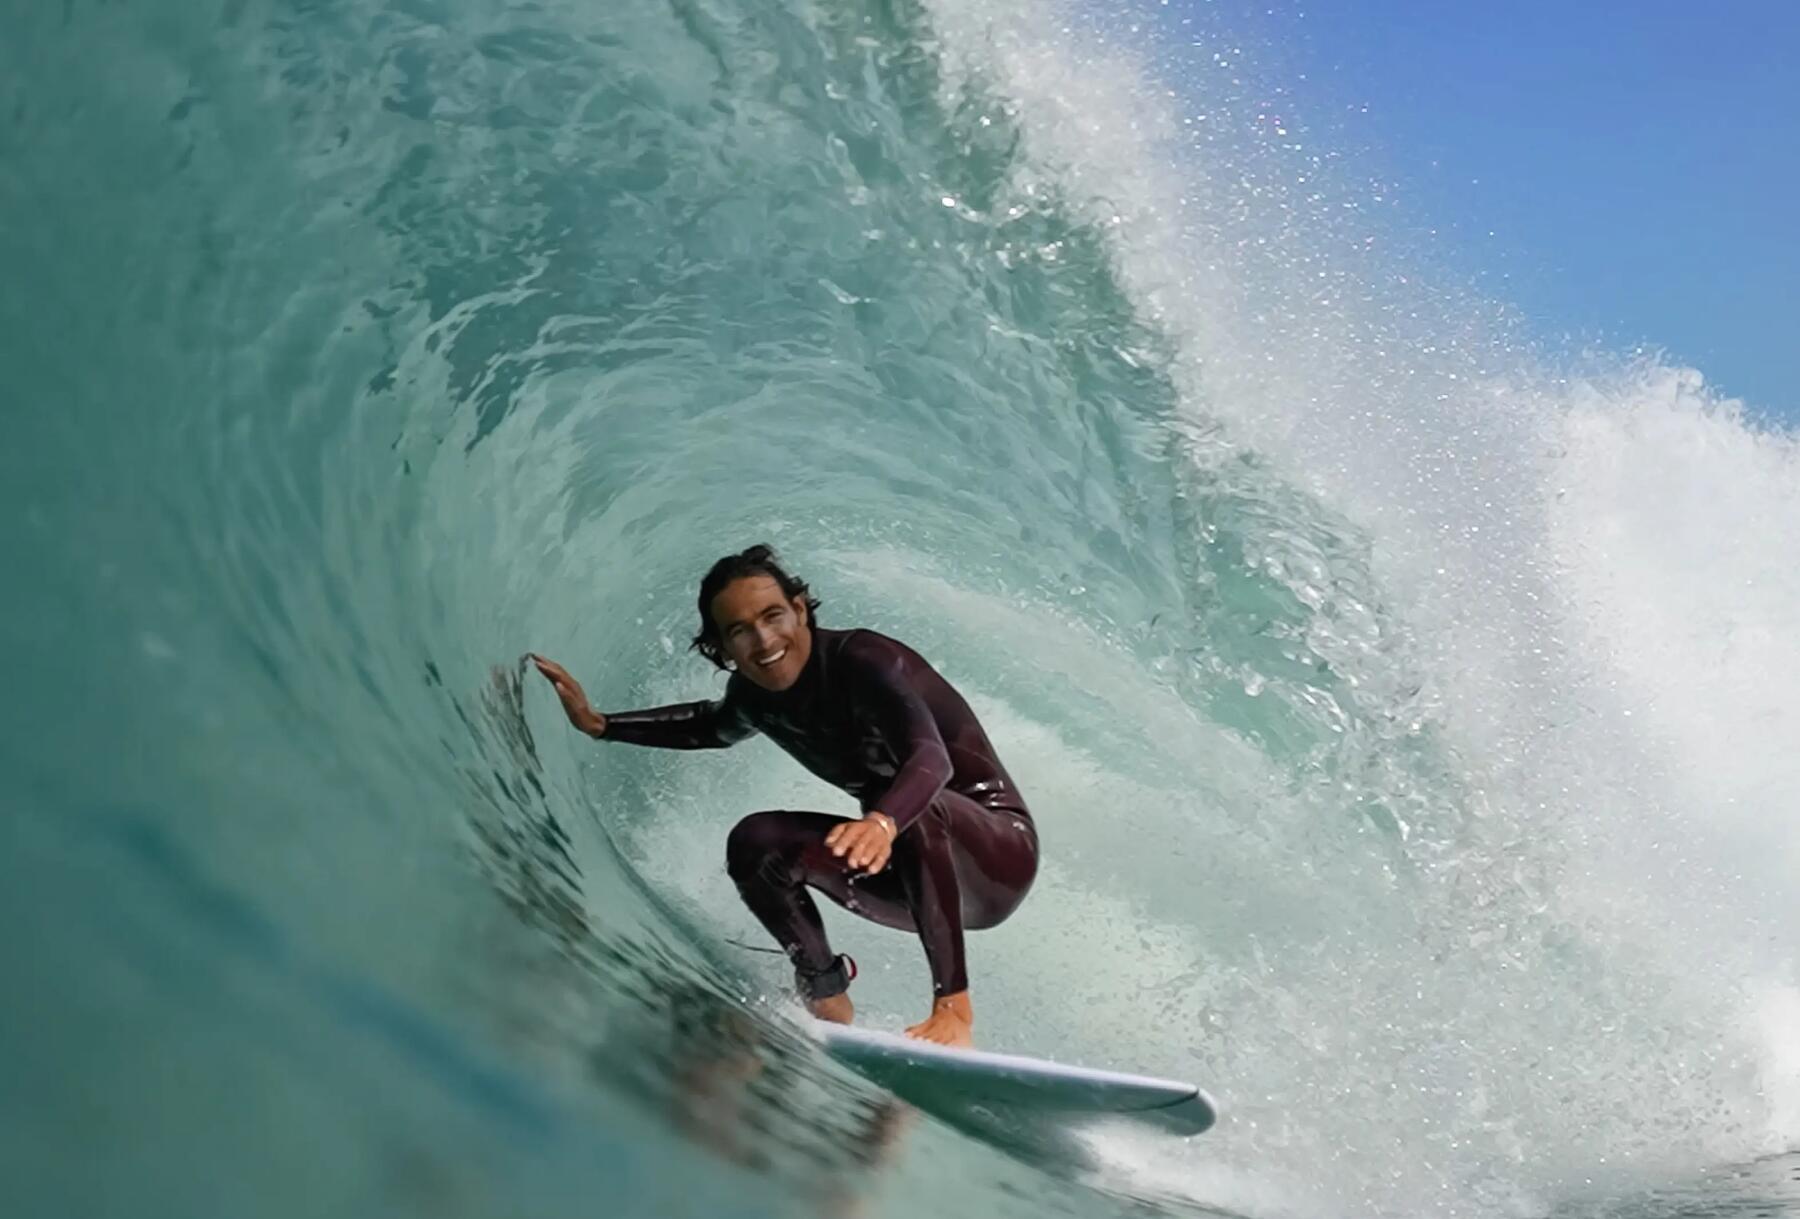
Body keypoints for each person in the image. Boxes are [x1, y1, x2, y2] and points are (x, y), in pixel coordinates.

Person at [530, 545, 1038, 1047]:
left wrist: (882, 823)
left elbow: (931, 759)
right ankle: (826, 993)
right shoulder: (755, 698)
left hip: (996, 856)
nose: (763, 639)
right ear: (723, 648)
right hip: (912, 879)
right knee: (757, 844)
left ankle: (953, 1007)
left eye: (773, 615)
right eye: (739, 631)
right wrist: (601, 726)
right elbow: (710, 726)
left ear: (799, 609)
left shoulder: (866, 661)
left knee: (918, 810)